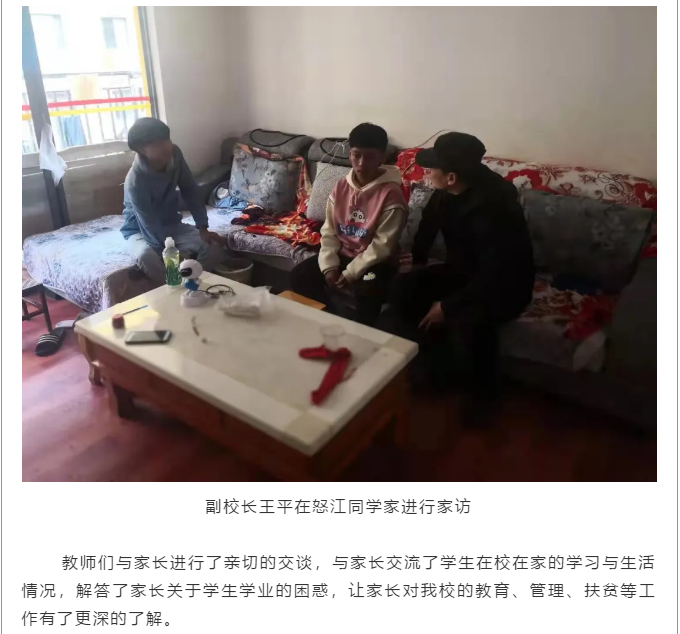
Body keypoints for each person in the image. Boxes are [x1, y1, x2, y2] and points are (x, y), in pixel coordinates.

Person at [381, 132, 534, 422]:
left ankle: (484, 398)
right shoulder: (448, 190)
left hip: (504, 285)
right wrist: (418, 262)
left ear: (451, 177)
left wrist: (447, 305)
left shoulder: (495, 207)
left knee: (470, 321)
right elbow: (427, 226)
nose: (427, 173)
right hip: (463, 271)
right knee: (403, 287)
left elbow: (495, 271)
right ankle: (431, 367)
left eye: (432, 168)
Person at [290, 123, 408, 325]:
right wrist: (329, 265)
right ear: (349, 154)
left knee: (369, 289)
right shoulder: (341, 186)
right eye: (356, 155)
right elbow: (329, 230)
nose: (361, 163)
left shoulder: (391, 195)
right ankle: (329, 321)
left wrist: (351, 273)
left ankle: (362, 334)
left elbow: (382, 246)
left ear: (382, 157)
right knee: (299, 276)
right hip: (343, 253)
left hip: (374, 262)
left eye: (369, 157)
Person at [120, 117, 224, 286]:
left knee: (212, 245)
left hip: (171, 224)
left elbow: (190, 190)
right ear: (142, 149)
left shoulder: (175, 154)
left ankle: (193, 284)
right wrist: (168, 251)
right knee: (147, 256)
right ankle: (172, 291)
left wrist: (202, 227)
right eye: (158, 144)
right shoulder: (136, 181)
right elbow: (148, 223)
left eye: (167, 139)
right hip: (140, 230)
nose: (167, 146)